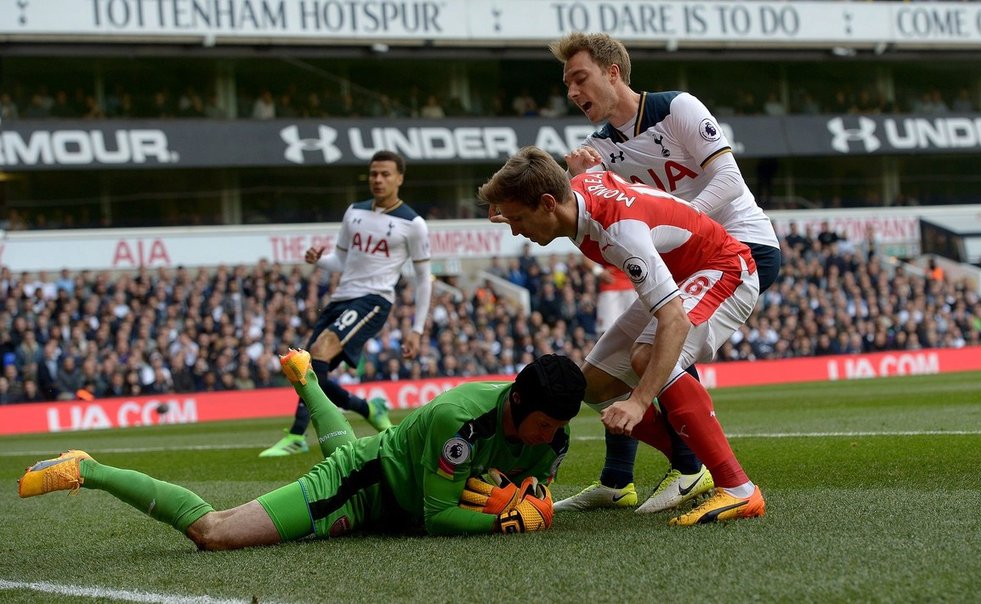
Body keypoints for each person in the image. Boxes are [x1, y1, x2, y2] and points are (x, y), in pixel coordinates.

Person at [544, 32, 782, 514]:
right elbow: (592, 216)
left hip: (739, 247)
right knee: (600, 374)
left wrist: (682, 222)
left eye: (580, 78)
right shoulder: (596, 148)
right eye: (567, 83)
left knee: (655, 353)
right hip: (676, 263)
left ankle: (697, 469)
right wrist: (576, 179)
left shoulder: (677, 108)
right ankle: (618, 480)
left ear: (613, 72)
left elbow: (731, 180)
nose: (572, 92)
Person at [18, 349, 584, 547]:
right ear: (513, 401)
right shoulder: (458, 419)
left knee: (354, 445)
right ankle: (88, 468)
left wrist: (533, 496)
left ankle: (306, 378)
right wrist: (500, 524)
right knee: (214, 534)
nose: (549, 438)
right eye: (542, 427)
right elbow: (438, 518)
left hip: (394, 469)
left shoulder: (552, 431)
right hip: (368, 490)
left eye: (557, 429)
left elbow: (538, 486)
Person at [479, 146, 765, 526]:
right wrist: (566, 174)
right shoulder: (573, 192)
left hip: (723, 270)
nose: (516, 230)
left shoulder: (619, 234)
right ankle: (689, 464)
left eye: (518, 219)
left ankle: (739, 489)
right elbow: (587, 173)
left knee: (648, 356)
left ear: (548, 203)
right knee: (593, 385)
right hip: (681, 276)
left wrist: (640, 401)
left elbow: (674, 321)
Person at [259, 150, 434, 457]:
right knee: (308, 369)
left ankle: (299, 434)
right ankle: (366, 408)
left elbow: (423, 278)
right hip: (342, 297)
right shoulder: (354, 212)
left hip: (374, 300)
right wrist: (319, 260)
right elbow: (341, 259)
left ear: (400, 179)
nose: (378, 180)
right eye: (373, 174)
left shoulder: (413, 224)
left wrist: (417, 329)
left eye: (385, 174)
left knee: (319, 352)